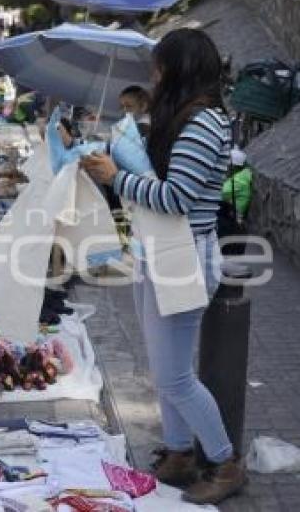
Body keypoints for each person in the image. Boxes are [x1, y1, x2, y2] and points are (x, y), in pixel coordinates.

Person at [82, 28, 245, 506]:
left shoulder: (203, 124)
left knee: (175, 377)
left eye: (159, 67)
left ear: (179, 69)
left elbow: (176, 199)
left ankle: (224, 462)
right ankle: (178, 454)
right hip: (162, 254)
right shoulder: (187, 119)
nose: (153, 76)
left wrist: (120, 178)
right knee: (164, 368)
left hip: (185, 257)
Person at [218, 147, 252, 255]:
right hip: (232, 219)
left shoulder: (239, 181)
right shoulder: (239, 178)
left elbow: (219, 193)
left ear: (233, 166)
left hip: (230, 222)